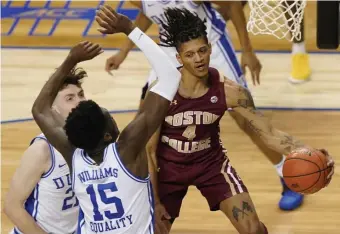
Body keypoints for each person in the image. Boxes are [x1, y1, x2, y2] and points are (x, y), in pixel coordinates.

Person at [145, 8, 334, 234]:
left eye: (202, 51)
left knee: (253, 229)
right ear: (179, 58)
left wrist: (310, 152)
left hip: (211, 165)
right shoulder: (161, 91)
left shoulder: (231, 91)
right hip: (168, 169)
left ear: (210, 49)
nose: (198, 59)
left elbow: (270, 133)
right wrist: (155, 201)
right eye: (190, 54)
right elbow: (148, 151)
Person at [107, 1, 305, 211]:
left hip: (210, 46)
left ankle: (287, 175)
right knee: (141, 127)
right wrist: (123, 52)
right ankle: (134, 188)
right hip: (169, 53)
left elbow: (232, 6)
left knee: (246, 119)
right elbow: (151, 13)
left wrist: (247, 50)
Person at [31, 5, 181, 234]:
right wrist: (130, 29)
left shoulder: (74, 155)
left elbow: (40, 110)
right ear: (108, 133)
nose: (110, 114)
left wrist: (71, 60)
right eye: (107, 114)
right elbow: (171, 75)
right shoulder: (127, 149)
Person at [4, 68, 87, 234]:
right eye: (70, 98)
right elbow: (12, 207)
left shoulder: (90, 142)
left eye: (81, 94)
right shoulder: (42, 150)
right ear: (53, 108)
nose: (80, 101)